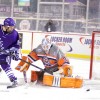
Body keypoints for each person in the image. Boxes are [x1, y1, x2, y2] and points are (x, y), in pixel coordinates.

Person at [0, 18, 20, 88]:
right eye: (10, 27)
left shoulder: (15, 34)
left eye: (13, 27)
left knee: (4, 64)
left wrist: (15, 54)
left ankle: (14, 80)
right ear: (5, 26)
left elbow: (16, 45)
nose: (12, 29)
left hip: (5, 53)